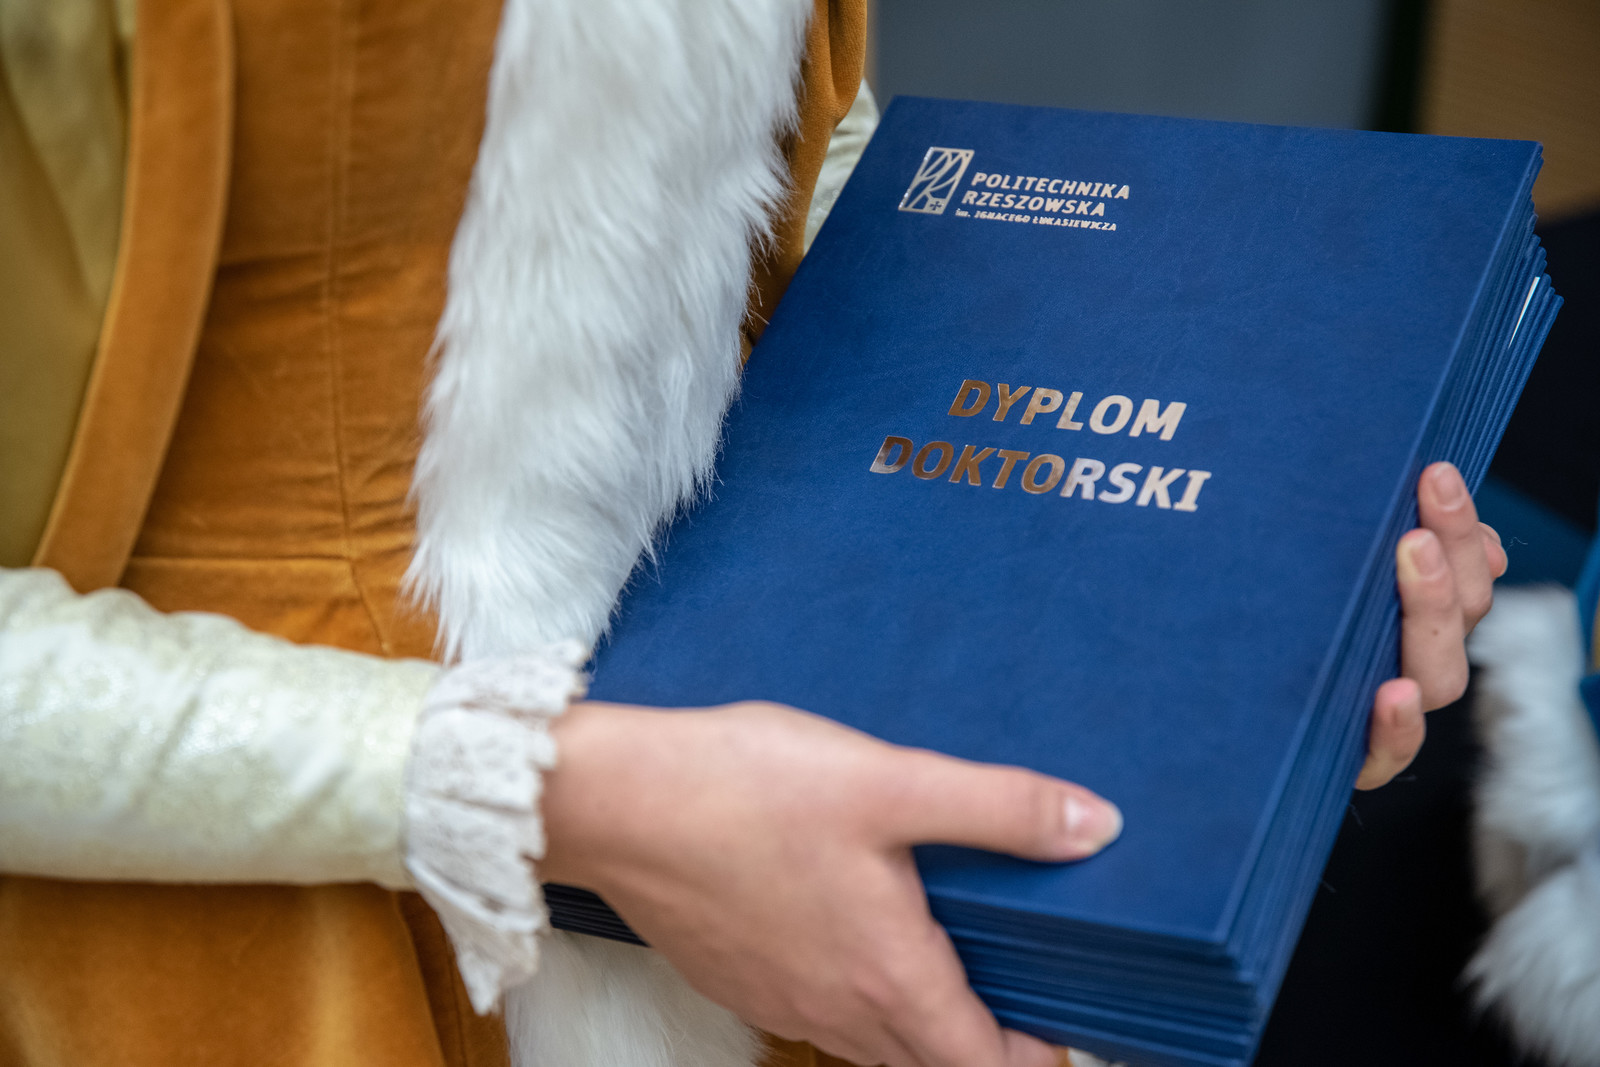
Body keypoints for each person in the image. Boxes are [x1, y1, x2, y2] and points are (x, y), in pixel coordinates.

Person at [0, 1, 1505, 1066]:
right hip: (277, 930)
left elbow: (793, 215)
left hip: (795, 873)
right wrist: (551, 793)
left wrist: (1240, 620)